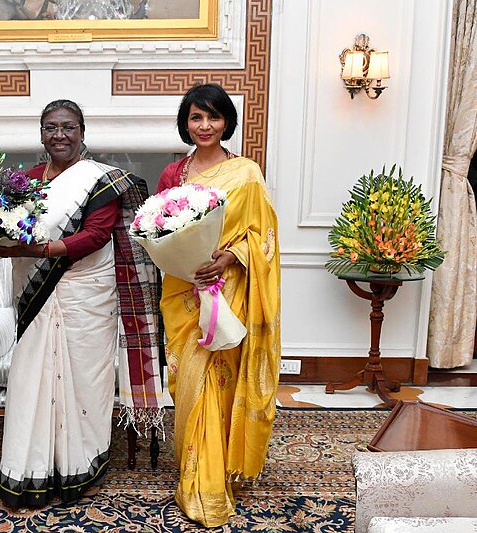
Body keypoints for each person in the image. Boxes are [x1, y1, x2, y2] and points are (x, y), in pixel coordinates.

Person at [0, 99, 164, 508]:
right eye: (51, 128)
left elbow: (96, 235)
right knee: (32, 376)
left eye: (68, 127)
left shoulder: (99, 181)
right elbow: (1, 229)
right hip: (36, 295)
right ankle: (29, 468)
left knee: (86, 382)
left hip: (87, 296)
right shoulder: (25, 181)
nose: (59, 135)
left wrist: (45, 249)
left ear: (82, 132)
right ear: (41, 134)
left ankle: (78, 466)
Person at [156, 84, 281, 527]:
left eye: (212, 117)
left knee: (218, 377)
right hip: (183, 290)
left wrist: (227, 258)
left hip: (227, 288)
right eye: (195, 118)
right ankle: (196, 463)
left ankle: (210, 476)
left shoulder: (246, 173)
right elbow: (160, 231)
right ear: (185, 123)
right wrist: (188, 265)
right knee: (189, 378)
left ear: (226, 121)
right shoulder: (174, 174)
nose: (204, 126)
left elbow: (262, 236)